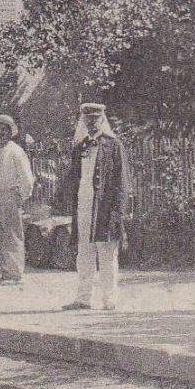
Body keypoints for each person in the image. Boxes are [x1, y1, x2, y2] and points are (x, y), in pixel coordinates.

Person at [61, 103, 133, 311]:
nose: (91, 123)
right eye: (87, 119)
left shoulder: (113, 146)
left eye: (95, 119)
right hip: (83, 204)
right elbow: (73, 179)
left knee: (106, 252)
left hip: (105, 206)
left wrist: (117, 212)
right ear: (82, 121)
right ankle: (83, 298)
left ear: (102, 120)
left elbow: (121, 182)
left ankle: (109, 299)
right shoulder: (79, 147)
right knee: (84, 252)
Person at [0, 114, 37, 284]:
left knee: (12, 235)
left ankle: (15, 274)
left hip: (10, 194)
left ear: (10, 132)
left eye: (4, 130)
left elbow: (27, 177)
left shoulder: (16, 151)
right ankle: (4, 272)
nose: (0, 133)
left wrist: (21, 196)